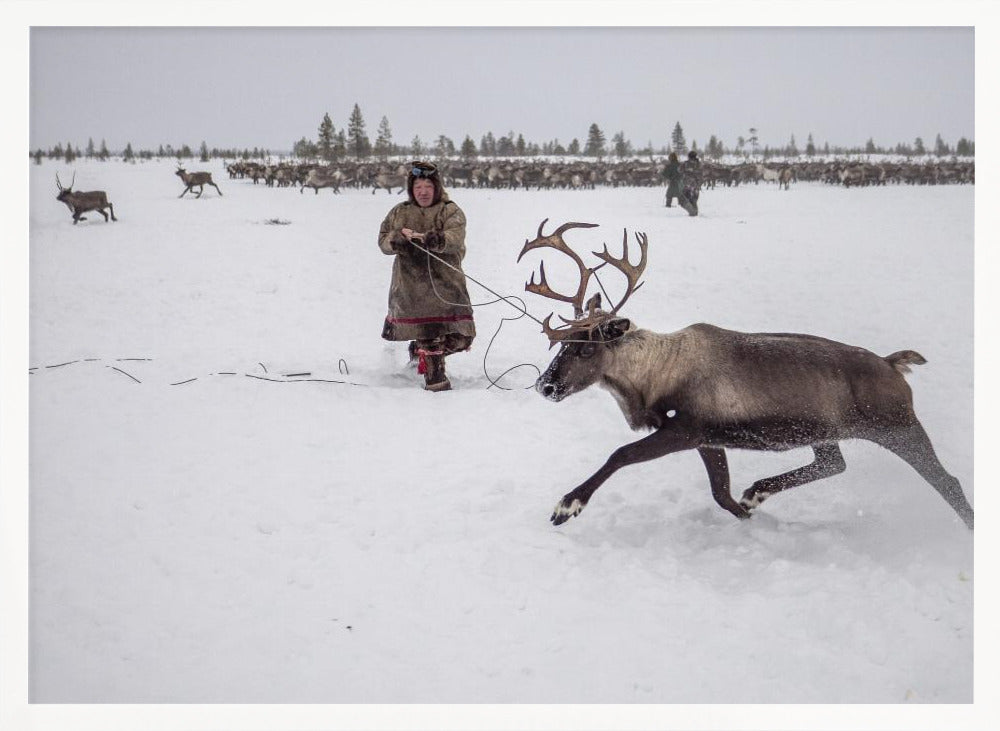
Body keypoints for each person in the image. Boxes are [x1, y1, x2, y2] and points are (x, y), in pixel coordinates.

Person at [377, 161, 475, 392]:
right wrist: (396, 238)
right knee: (430, 335)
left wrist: (438, 240)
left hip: (447, 287)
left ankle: (419, 351)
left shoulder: (449, 211)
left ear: (436, 188)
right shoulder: (399, 212)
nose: (422, 191)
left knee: (462, 338)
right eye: (418, 186)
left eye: (428, 186)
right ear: (411, 189)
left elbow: (455, 236)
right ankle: (437, 385)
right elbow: (383, 241)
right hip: (412, 290)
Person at [679, 150, 703, 216]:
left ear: (689, 156)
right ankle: (695, 212)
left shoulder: (685, 164)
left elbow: (679, 170)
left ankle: (693, 212)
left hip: (687, 185)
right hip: (696, 185)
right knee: (694, 200)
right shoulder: (699, 164)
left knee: (682, 200)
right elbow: (701, 174)